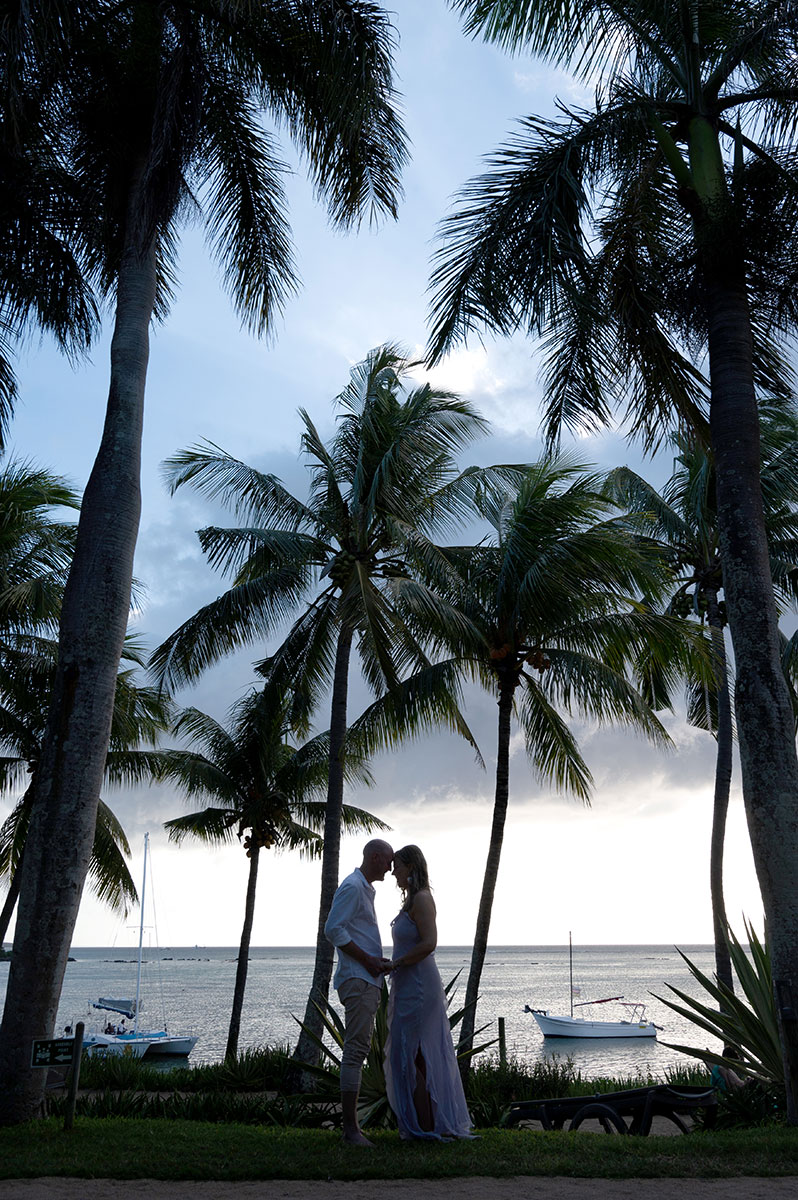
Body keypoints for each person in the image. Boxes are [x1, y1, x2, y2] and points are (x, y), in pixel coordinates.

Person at [384, 844, 474, 1140]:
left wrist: (397, 963)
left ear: (410, 867)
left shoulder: (422, 899)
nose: (393, 872)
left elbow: (429, 943)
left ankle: (428, 1125)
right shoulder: (410, 901)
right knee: (409, 1055)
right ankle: (425, 1124)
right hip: (407, 982)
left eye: (396, 866)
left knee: (418, 1054)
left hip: (421, 985)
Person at [324, 838, 394, 1146]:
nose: (391, 868)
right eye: (388, 861)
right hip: (358, 978)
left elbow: (354, 932)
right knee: (355, 1051)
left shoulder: (362, 888)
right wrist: (368, 961)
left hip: (365, 977)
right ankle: (351, 1131)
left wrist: (376, 961)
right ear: (376, 857)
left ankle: (352, 1130)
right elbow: (333, 929)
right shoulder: (353, 887)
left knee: (358, 1050)